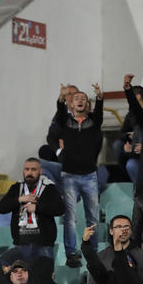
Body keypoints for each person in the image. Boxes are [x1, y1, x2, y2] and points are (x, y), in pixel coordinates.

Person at [53, 84, 104, 268]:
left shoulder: (93, 121)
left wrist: (99, 97)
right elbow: (58, 116)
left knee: (93, 216)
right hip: (69, 176)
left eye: (83, 98)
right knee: (70, 217)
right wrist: (60, 99)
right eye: (76, 98)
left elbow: (99, 115)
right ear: (70, 105)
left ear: (88, 105)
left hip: (89, 175)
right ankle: (71, 253)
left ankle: (94, 251)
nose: (80, 100)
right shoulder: (65, 121)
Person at [0, 157, 65, 261]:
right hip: (21, 243)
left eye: (33, 169)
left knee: (43, 277)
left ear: (40, 171)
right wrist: (19, 199)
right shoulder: (16, 187)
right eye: (27, 169)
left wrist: (37, 208)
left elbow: (60, 209)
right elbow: (1, 208)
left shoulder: (48, 187)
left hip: (43, 245)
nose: (30, 173)